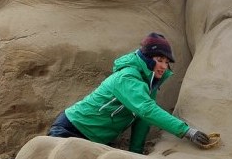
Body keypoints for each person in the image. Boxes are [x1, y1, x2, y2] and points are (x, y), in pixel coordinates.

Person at [47, 33, 210, 154]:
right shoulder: (127, 77)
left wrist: (135, 153)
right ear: (146, 58)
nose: (164, 66)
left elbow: (143, 120)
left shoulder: (148, 83)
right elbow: (147, 110)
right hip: (71, 130)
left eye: (167, 62)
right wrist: (187, 131)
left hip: (96, 140)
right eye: (159, 60)